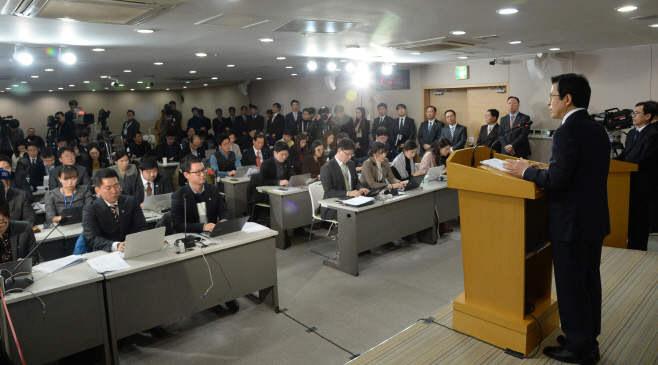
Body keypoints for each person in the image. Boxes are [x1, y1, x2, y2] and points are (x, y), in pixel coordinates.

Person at [503, 73, 608, 364]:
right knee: (588, 281)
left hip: (571, 223)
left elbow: (560, 178)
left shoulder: (566, 131)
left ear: (567, 99)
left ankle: (579, 348)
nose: (549, 101)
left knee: (571, 284)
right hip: (593, 219)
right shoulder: (596, 128)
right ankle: (586, 336)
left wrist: (525, 171)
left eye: (552, 95)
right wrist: (540, 168)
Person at [171, 155, 239, 312]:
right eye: (198, 172)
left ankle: (228, 293)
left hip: (214, 234)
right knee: (205, 267)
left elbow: (223, 210)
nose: (203, 174)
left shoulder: (212, 189)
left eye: (203, 170)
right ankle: (211, 301)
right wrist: (202, 227)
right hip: (194, 238)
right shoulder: (180, 196)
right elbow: (178, 224)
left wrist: (223, 220)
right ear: (186, 175)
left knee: (228, 258)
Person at [614, 101, 658, 251]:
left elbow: (645, 160)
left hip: (642, 184)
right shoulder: (632, 133)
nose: (633, 116)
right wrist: (609, 163)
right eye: (633, 112)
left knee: (639, 220)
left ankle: (639, 248)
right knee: (629, 219)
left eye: (637, 113)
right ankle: (629, 245)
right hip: (627, 183)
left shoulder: (653, 134)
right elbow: (625, 155)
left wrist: (625, 165)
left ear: (648, 116)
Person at [319, 138, 369, 221]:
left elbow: (356, 182)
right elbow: (329, 191)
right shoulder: (327, 168)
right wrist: (348, 193)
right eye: (348, 154)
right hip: (333, 206)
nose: (350, 157)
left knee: (366, 212)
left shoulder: (351, 164)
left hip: (351, 202)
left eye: (351, 155)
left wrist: (361, 188)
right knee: (352, 217)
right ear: (339, 150)